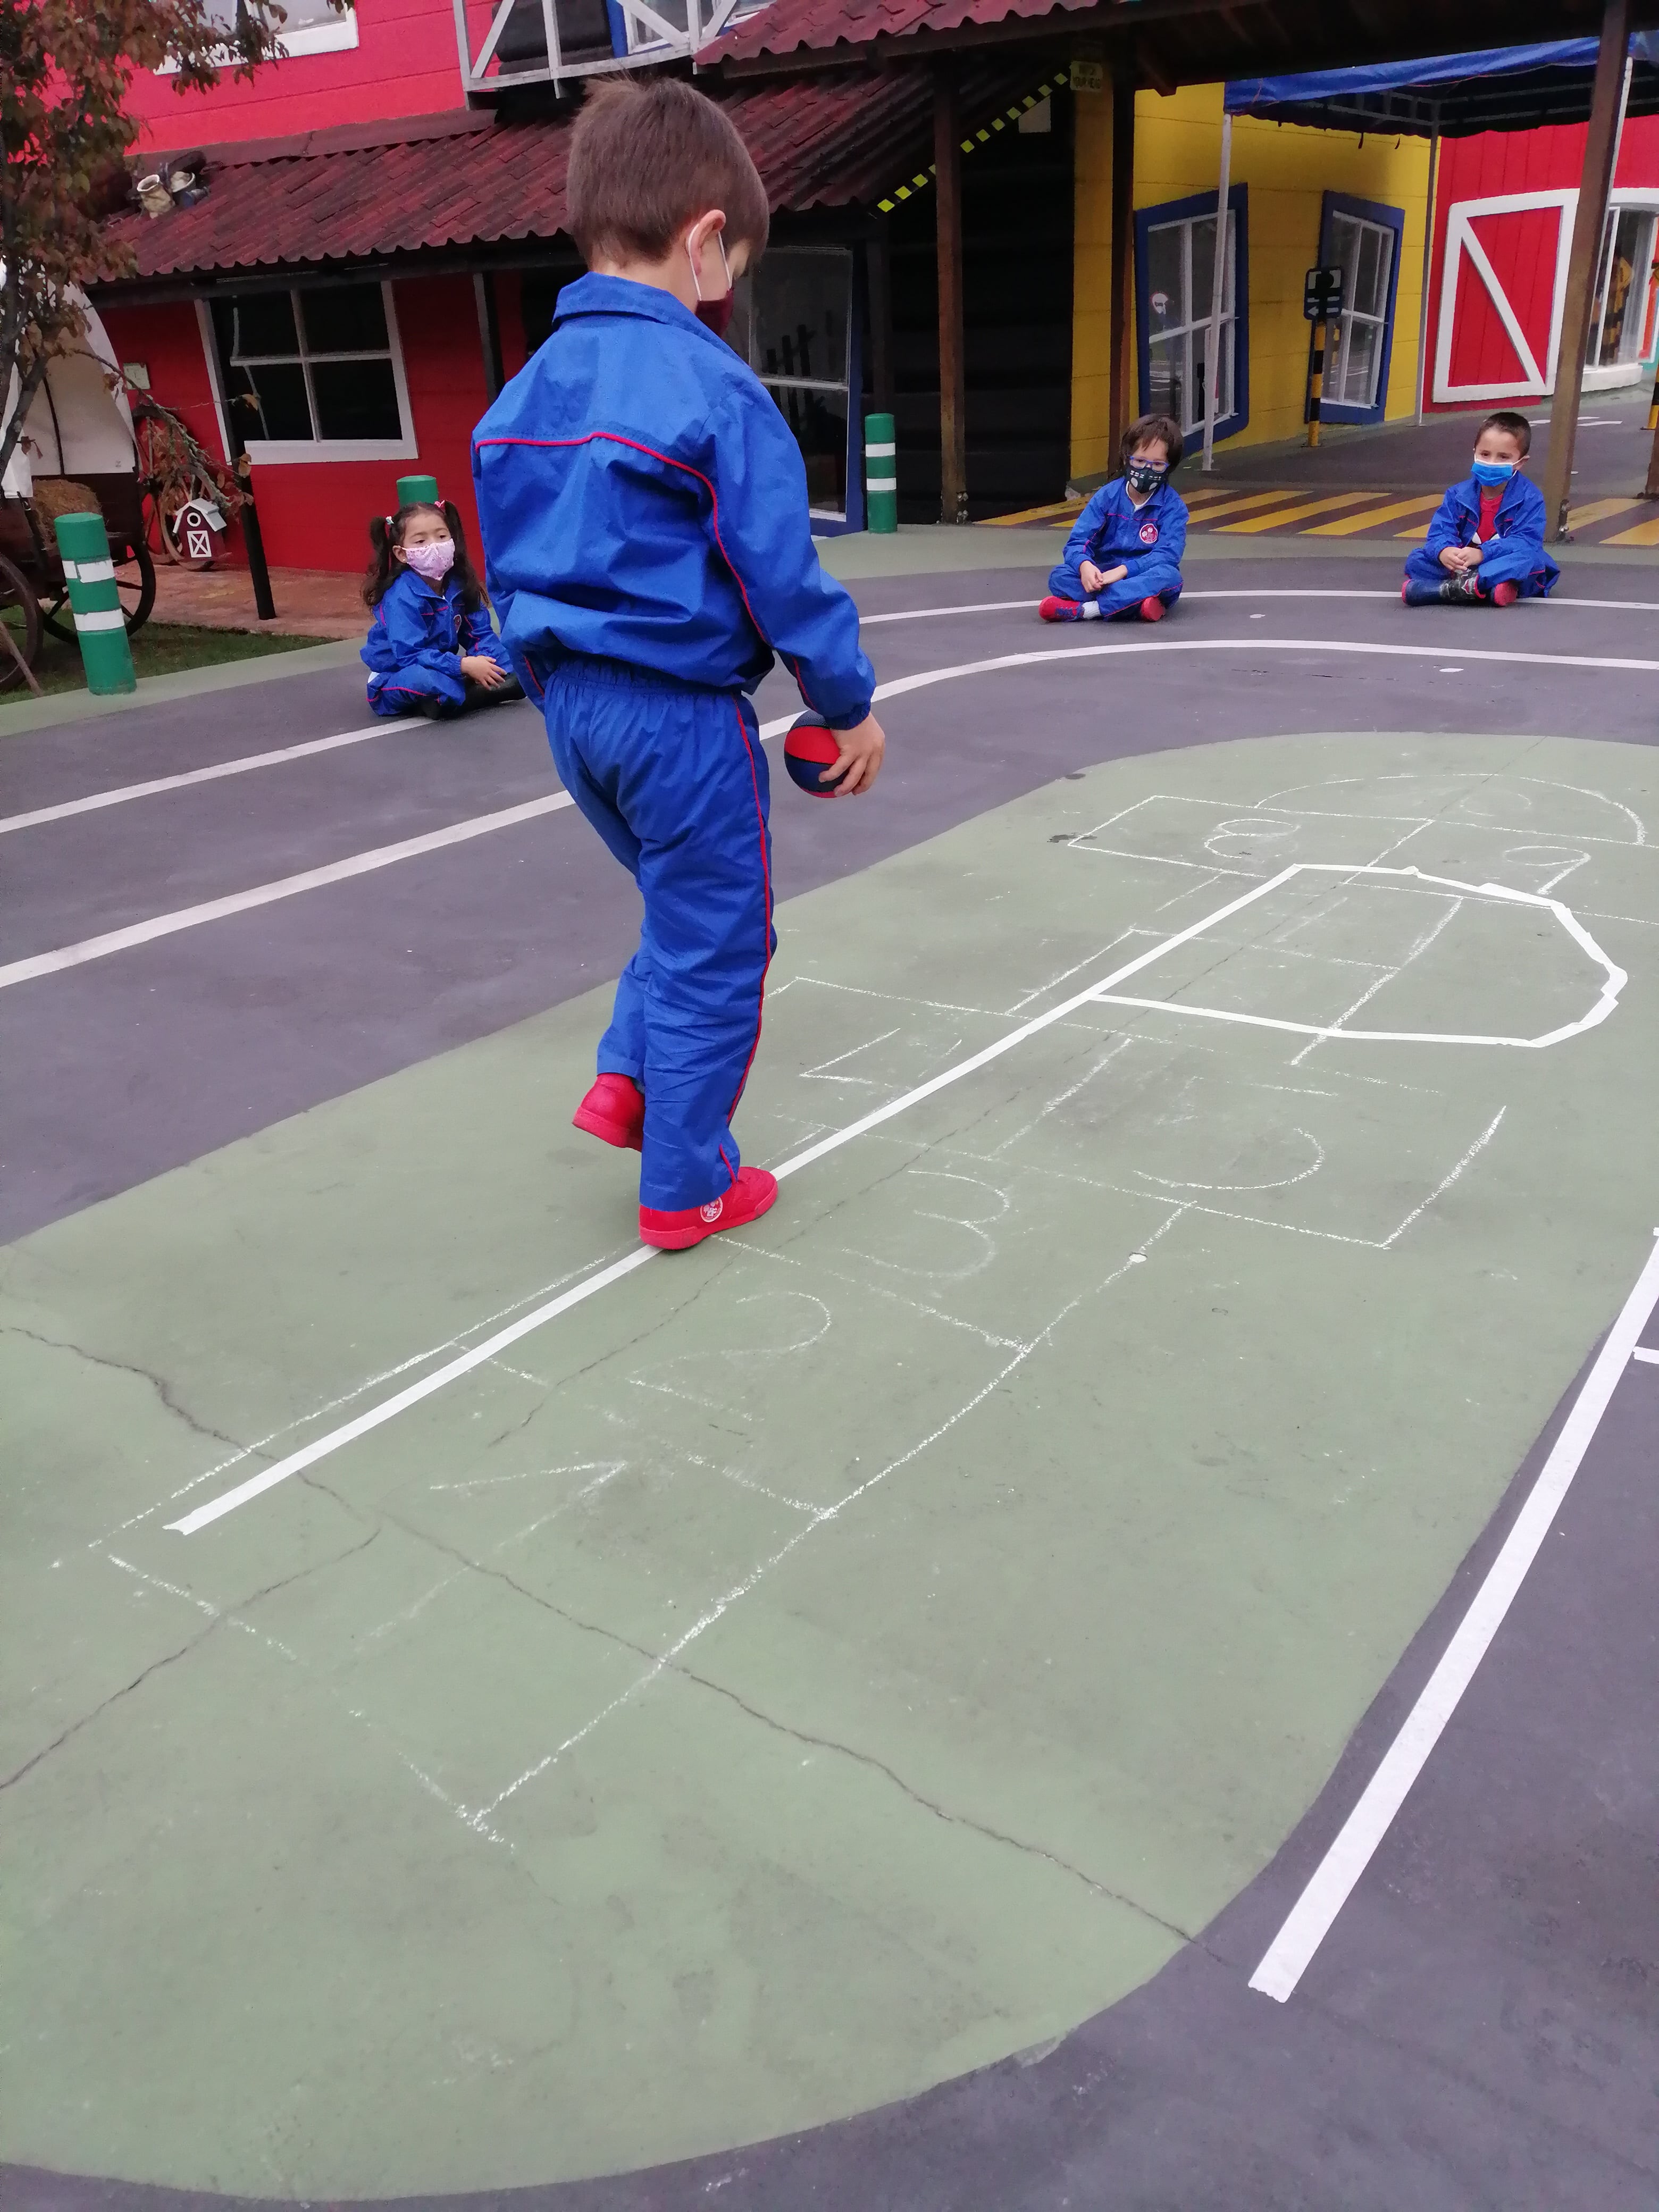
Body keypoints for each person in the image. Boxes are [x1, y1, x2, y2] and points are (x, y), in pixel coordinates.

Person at [471, 79, 883, 1253]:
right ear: (706, 240)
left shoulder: (518, 397)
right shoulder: (715, 389)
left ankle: (627, 1077)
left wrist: (556, 690)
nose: (727, 292)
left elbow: (507, 573)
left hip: (573, 715)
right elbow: (780, 574)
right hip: (681, 717)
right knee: (722, 943)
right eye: (733, 268)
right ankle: (687, 1182)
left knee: (678, 904)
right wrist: (846, 704)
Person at [361, 499, 521, 718]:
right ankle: (460, 695)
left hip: (441, 664)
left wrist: (493, 663)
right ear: (401, 554)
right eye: (421, 541)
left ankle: (458, 697)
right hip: (397, 671)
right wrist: (463, 665)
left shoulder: (459, 583)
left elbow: (480, 633)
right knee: (427, 681)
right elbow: (410, 655)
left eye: (442, 536)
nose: (434, 546)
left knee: (514, 666)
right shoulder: (400, 596)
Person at [1402, 410, 1560, 607]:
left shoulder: (1530, 498)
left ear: (1520, 463)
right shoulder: (1457, 494)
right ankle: (1483, 588)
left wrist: (1482, 554)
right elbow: (1440, 531)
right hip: (1463, 565)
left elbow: (1526, 541)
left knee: (1529, 560)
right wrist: (1445, 551)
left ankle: (1441, 590)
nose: (1491, 463)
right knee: (1417, 558)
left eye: (1503, 457)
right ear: (1475, 452)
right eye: (1485, 454)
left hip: (1499, 561)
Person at [1040, 414, 1187, 623]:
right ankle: (1135, 606)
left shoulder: (1173, 507)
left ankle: (1086, 610)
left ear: (1169, 467)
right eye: (1140, 461)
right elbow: (1078, 541)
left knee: (1169, 577)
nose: (1147, 470)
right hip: (1103, 574)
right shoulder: (1107, 496)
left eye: (1157, 465)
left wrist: (1124, 571)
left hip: (1142, 575)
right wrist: (1085, 566)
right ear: (1127, 458)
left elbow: (1168, 555)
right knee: (1060, 576)